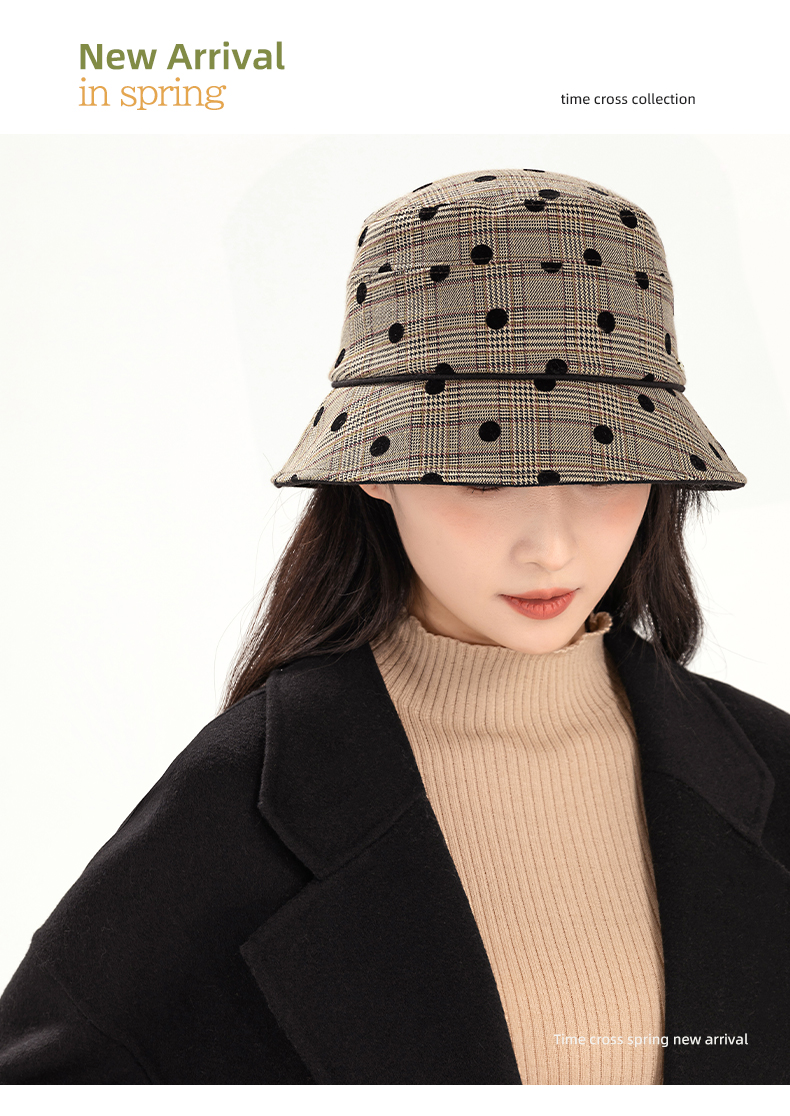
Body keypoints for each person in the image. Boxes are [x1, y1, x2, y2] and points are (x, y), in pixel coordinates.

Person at [0, 168, 787, 1086]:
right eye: (484, 472)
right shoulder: (237, 803)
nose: (550, 545)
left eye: (606, 469)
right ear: (373, 467)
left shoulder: (768, 766)